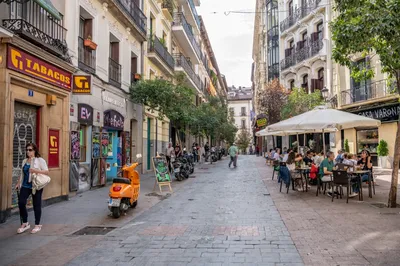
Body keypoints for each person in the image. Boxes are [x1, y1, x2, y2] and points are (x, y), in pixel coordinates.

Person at [15, 143, 49, 234]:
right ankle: (25, 223)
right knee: (21, 203)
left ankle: (37, 225)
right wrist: (18, 183)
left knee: (36, 204)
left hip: (36, 185)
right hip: (26, 185)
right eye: (27, 149)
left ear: (34, 150)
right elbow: (22, 173)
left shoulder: (40, 160)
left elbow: (46, 171)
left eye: (30, 150)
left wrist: (35, 171)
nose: (28, 151)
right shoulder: (25, 161)